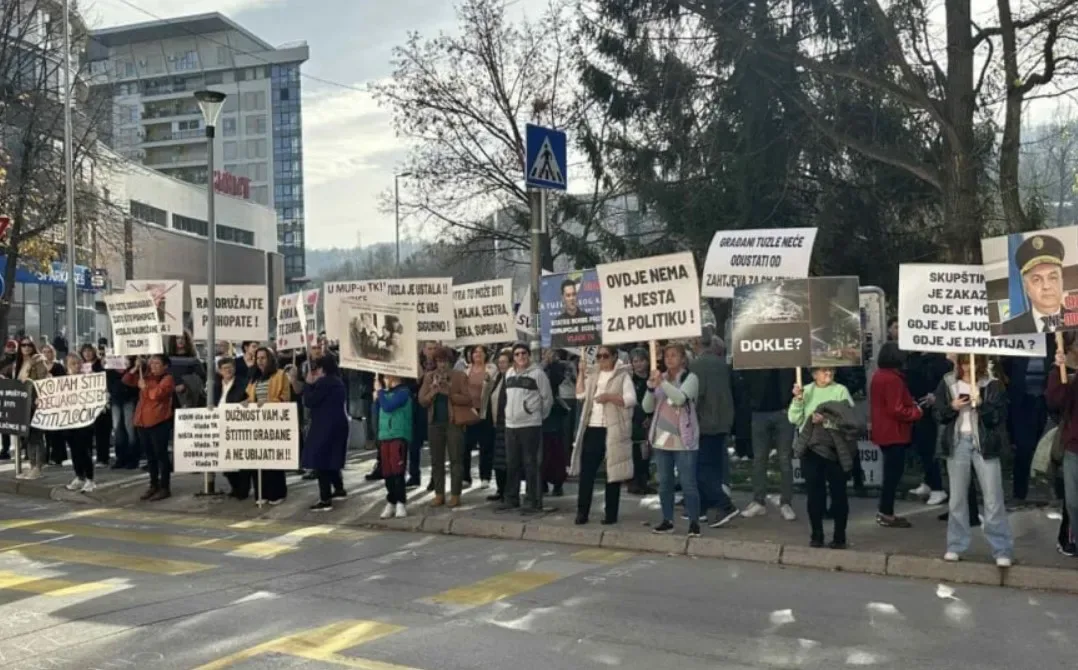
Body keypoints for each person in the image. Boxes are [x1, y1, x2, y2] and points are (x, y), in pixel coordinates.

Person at [933, 355, 1014, 566]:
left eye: (970, 363)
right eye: (963, 363)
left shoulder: (992, 383)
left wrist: (981, 405)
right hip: (958, 441)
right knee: (957, 498)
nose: (966, 367)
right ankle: (955, 545)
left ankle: (1001, 549)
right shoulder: (948, 381)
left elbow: (998, 417)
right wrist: (952, 406)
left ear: (979, 363)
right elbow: (938, 414)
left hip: (984, 444)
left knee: (993, 498)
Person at [789, 367, 857, 548]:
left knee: (839, 493)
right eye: (823, 371)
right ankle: (816, 534)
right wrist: (797, 400)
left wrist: (825, 421)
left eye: (831, 370)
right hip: (811, 449)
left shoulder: (840, 390)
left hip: (835, 448)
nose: (828, 374)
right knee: (814, 494)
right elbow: (794, 419)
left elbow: (849, 420)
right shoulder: (806, 390)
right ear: (814, 374)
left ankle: (839, 536)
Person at [570, 345, 635, 525]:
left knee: (612, 472)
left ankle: (611, 513)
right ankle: (582, 512)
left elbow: (630, 400)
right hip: (593, 426)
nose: (601, 360)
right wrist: (581, 373)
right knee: (587, 472)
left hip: (612, 428)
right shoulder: (594, 374)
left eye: (605, 356)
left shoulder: (623, 376)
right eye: (598, 356)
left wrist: (609, 397)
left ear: (614, 356)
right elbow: (580, 394)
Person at [643, 343, 702, 537]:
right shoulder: (661, 379)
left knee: (688, 482)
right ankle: (667, 520)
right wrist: (651, 388)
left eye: (674, 355)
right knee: (665, 482)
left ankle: (694, 521)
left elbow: (680, 399)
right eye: (666, 356)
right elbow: (646, 408)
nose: (669, 359)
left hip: (683, 440)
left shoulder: (689, 378)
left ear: (683, 359)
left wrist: (662, 383)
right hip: (662, 439)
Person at [870, 342, 923, 528]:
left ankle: (886, 511)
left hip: (884, 430)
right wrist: (916, 412)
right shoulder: (893, 379)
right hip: (895, 431)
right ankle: (886, 512)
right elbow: (896, 409)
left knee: (890, 473)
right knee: (893, 474)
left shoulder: (879, 376)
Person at [690, 333, 739, 528]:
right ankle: (706, 507)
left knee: (701, 468)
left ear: (696, 344)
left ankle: (723, 504)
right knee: (714, 466)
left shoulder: (696, 366)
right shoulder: (721, 364)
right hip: (723, 420)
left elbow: (696, 396)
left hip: (705, 423)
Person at [499, 343, 553, 515]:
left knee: (531, 464)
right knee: (512, 463)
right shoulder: (509, 373)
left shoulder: (538, 374)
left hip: (530, 425)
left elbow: (547, 399)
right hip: (511, 425)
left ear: (528, 355)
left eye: (523, 353)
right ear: (513, 357)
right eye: (517, 354)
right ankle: (511, 498)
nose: (521, 356)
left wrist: (535, 414)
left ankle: (533, 501)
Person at [738, 367, 798, 519]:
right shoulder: (755, 355)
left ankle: (785, 502)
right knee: (760, 459)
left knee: (784, 459)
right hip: (760, 411)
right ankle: (759, 501)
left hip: (782, 410)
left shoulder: (786, 356)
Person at [418, 346, 471, 508]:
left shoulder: (459, 376)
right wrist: (433, 392)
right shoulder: (429, 377)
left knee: (456, 459)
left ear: (451, 362)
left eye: (445, 361)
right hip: (435, 423)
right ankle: (439, 494)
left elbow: (468, 399)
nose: (442, 365)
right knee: (436, 460)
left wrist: (450, 393)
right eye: (439, 361)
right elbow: (422, 401)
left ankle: (455, 494)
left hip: (453, 422)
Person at [303, 355, 350, 512]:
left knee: (321, 461)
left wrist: (308, 385)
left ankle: (325, 498)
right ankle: (339, 488)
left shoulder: (323, 383)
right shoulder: (338, 381)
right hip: (339, 423)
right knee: (333, 457)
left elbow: (310, 401)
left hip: (324, 424)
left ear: (322, 369)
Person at [125, 355, 175, 501]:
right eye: (151, 363)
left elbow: (157, 395)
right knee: (150, 456)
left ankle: (165, 487)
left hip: (159, 421)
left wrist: (144, 388)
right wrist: (135, 367)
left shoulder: (167, 379)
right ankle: (154, 484)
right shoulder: (145, 376)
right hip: (142, 422)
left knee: (161, 455)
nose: (153, 366)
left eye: (157, 363)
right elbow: (127, 380)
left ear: (165, 366)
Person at [244, 346, 291, 505]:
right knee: (259, 458)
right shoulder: (254, 379)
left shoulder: (280, 375)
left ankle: (277, 493)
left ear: (270, 359)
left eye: (263, 358)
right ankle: (261, 493)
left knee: (273, 459)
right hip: (257, 424)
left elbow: (285, 398)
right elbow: (250, 398)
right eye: (258, 358)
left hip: (274, 423)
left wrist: (267, 404)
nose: (260, 361)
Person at [998, 234, 1070, 335]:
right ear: (1025, 286)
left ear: (1061, 280)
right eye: (1037, 280)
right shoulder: (1009, 329)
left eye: (1053, 277)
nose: (1046, 286)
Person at [1047, 335, 1078, 557]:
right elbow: (1056, 401)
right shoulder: (1069, 375)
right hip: (1074, 447)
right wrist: (1059, 372)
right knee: (1073, 504)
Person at [374, 373, 412, 518]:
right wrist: (376, 399)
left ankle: (401, 502)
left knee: (397, 471)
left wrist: (379, 392)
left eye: (386, 377)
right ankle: (391, 501)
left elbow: (389, 406)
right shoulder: (384, 393)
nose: (384, 380)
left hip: (398, 434)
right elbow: (379, 412)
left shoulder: (403, 392)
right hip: (384, 436)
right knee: (387, 472)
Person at [13, 339, 51, 479]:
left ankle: (38, 466)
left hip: (36, 401)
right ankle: (31, 465)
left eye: (29, 345)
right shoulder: (18, 362)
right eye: (23, 345)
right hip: (23, 403)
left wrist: (30, 363)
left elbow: (43, 380)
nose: (26, 347)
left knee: (37, 436)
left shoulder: (39, 360)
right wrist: (27, 364)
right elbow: (19, 379)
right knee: (27, 436)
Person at [215, 357, 252, 499]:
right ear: (219, 371)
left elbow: (252, 396)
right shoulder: (216, 385)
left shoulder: (243, 382)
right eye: (225, 368)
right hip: (221, 426)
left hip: (238, 426)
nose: (228, 370)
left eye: (230, 367)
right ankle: (234, 487)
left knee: (240, 460)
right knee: (226, 460)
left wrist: (247, 401)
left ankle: (243, 490)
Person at [62, 353, 98, 493]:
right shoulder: (62, 382)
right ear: (67, 366)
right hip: (69, 421)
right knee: (74, 450)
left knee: (85, 450)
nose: (76, 366)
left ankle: (90, 478)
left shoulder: (88, 379)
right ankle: (79, 476)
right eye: (72, 363)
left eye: (78, 363)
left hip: (85, 421)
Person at [464, 345, 497, 489]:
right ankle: (465, 477)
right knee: (466, 445)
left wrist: (489, 380)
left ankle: (485, 476)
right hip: (469, 411)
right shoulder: (466, 370)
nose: (477, 354)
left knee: (486, 445)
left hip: (485, 410)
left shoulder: (491, 369)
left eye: (480, 352)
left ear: (485, 355)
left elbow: (496, 386)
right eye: (475, 352)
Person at [541, 350, 569, 496]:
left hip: (553, 414)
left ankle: (558, 483)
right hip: (537, 413)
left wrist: (551, 364)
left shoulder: (558, 366)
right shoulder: (535, 365)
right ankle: (542, 482)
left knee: (555, 450)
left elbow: (557, 380)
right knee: (541, 451)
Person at [627, 348, 655, 494]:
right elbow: (632, 401)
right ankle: (633, 482)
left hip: (651, 420)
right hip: (635, 421)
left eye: (641, 361)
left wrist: (650, 418)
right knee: (636, 452)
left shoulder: (652, 379)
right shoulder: (630, 381)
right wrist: (641, 418)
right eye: (635, 361)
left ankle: (644, 481)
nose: (638, 364)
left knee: (647, 453)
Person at [486, 349, 512, 502]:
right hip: (496, 424)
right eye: (500, 362)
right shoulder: (498, 378)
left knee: (506, 460)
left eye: (504, 362)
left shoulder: (511, 378)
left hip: (507, 424)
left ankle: (507, 491)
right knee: (498, 460)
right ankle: (500, 489)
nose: (501, 365)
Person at [80, 344, 111, 466]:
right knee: (87, 432)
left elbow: (107, 377)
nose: (87, 353)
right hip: (86, 402)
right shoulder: (81, 365)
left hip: (101, 401)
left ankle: (102, 458)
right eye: (85, 351)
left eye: (89, 351)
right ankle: (87, 457)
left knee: (102, 431)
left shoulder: (101, 364)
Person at [40, 344, 67, 465]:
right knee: (47, 432)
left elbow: (64, 383)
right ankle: (47, 456)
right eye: (44, 352)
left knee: (56, 432)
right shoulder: (40, 367)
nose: (46, 354)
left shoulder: (58, 366)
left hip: (56, 402)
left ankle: (58, 456)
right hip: (44, 402)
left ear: (53, 353)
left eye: (49, 352)